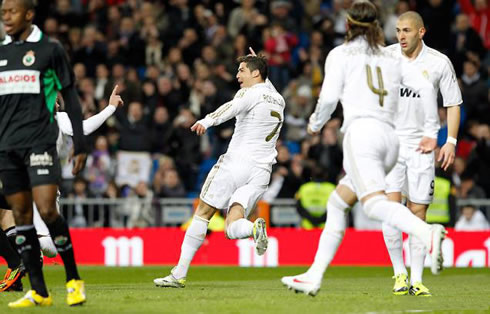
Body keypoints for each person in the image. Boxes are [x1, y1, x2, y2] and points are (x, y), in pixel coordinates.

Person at [281, 0, 447, 297]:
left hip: (363, 135)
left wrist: (315, 125)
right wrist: (432, 130)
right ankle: (314, 276)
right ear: (376, 25)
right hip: (391, 140)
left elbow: (329, 98)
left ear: (347, 25)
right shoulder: (390, 57)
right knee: (337, 202)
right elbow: (423, 87)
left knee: (373, 205)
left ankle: (427, 232)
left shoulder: (341, 54)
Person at [153, 52, 285, 288]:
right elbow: (265, 83)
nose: (237, 76)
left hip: (237, 163)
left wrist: (207, 120)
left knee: (202, 213)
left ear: (255, 73)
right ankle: (254, 228)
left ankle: (178, 274)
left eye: (242, 70)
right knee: (233, 226)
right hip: (262, 171)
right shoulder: (278, 98)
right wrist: (260, 63)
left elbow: (232, 107)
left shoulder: (249, 92)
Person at [0, 0, 86, 307]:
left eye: (12, 11)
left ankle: (74, 279)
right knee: (22, 219)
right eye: (3, 12)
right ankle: (38, 290)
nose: (6, 16)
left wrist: (82, 145)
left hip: (40, 144)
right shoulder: (2, 54)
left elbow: (71, 98)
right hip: (8, 149)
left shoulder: (50, 51)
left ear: (29, 14)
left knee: (48, 210)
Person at [382, 11, 462, 297]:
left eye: (406, 30)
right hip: (391, 144)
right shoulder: (386, 57)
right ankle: (399, 274)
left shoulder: (439, 63)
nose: (400, 36)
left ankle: (416, 279)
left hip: (423, 147)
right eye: (398, 30)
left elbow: (453, 104)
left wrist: (450, 140)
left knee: (418, 212)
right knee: (392, 209)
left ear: (421, 32)